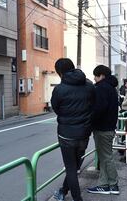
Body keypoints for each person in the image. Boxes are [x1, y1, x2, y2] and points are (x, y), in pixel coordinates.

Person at [51, 58, 95, 201]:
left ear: (60, 72)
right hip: (84, 134)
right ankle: (63, 191)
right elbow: (93, 105)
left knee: (71, 169)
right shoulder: (89, 85)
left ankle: (77, 198)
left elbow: (57, 109)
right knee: (75, 165)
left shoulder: (59, 89)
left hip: (66, 135)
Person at [87, 65, 120, 195]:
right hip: (109, 127)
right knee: (105, 156)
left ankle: (113, 184)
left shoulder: (101, 88)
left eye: (95, 76)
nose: (94, 78)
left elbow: (99, 109)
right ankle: (104, 184)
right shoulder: (112, 88)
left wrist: (90, 120)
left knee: (106, 157)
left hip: (102, 128)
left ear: (101, 75)